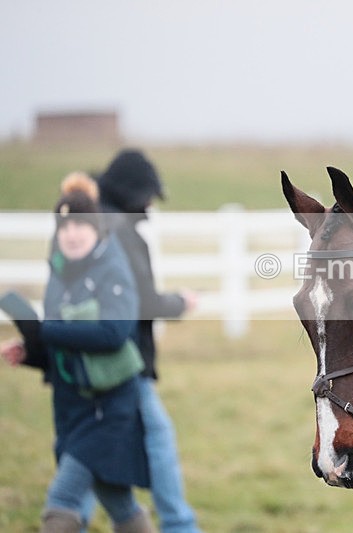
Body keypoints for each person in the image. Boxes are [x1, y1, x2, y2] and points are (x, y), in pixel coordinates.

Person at [1, 173, 154, 532]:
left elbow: (114, 333)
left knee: (63, 500)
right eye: (64, 227)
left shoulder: (112, 268)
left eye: (80, 226)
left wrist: (44, 331)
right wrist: (32, 351)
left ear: (95, 228)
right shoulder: (59, 272)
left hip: (109, 408)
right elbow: (67, 340)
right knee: (119, 503)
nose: (71, 234)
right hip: (71, 408)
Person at [84, 148, 201, 533]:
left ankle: (85, 517)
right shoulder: (123, 233)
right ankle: (179, 525)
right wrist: (180, 302)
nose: (151, 202)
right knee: (158, 441)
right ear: (133, 192)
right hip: (125, 360)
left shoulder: (92, 224)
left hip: (93, 358)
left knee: (92, 446)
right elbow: (143, 301)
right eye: (148, 194)